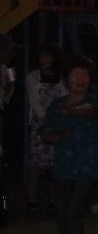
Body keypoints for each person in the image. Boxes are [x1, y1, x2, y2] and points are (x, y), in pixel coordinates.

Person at [42, 55, 98, 234]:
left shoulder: (94, 102)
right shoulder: (56, 105)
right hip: (64, 168)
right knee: (64, 218)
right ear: (66, 79)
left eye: (85, 74)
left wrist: (72, 112)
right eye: (76, 74)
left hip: (88, 168)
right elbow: (46, 133)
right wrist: (58, 136)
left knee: (71, 215)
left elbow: (89, 110)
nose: (81, 79)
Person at [25, 43, 67, 216]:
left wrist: (58, 120)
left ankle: (53, 202)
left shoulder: (61, 78)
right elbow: (34, 100)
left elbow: (64, 98)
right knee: (36, 166)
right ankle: (31, 202)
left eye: (47, 56)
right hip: (39, 125)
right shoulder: (33, 76)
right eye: (41, 56)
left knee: (56, 165)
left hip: (57, 124)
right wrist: (44, 119)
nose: (43, 59)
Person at [0, 34, 19, 165]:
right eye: (8, 50)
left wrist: (10, 83)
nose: (12, 54)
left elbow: (7, 97)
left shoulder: (6, 68)